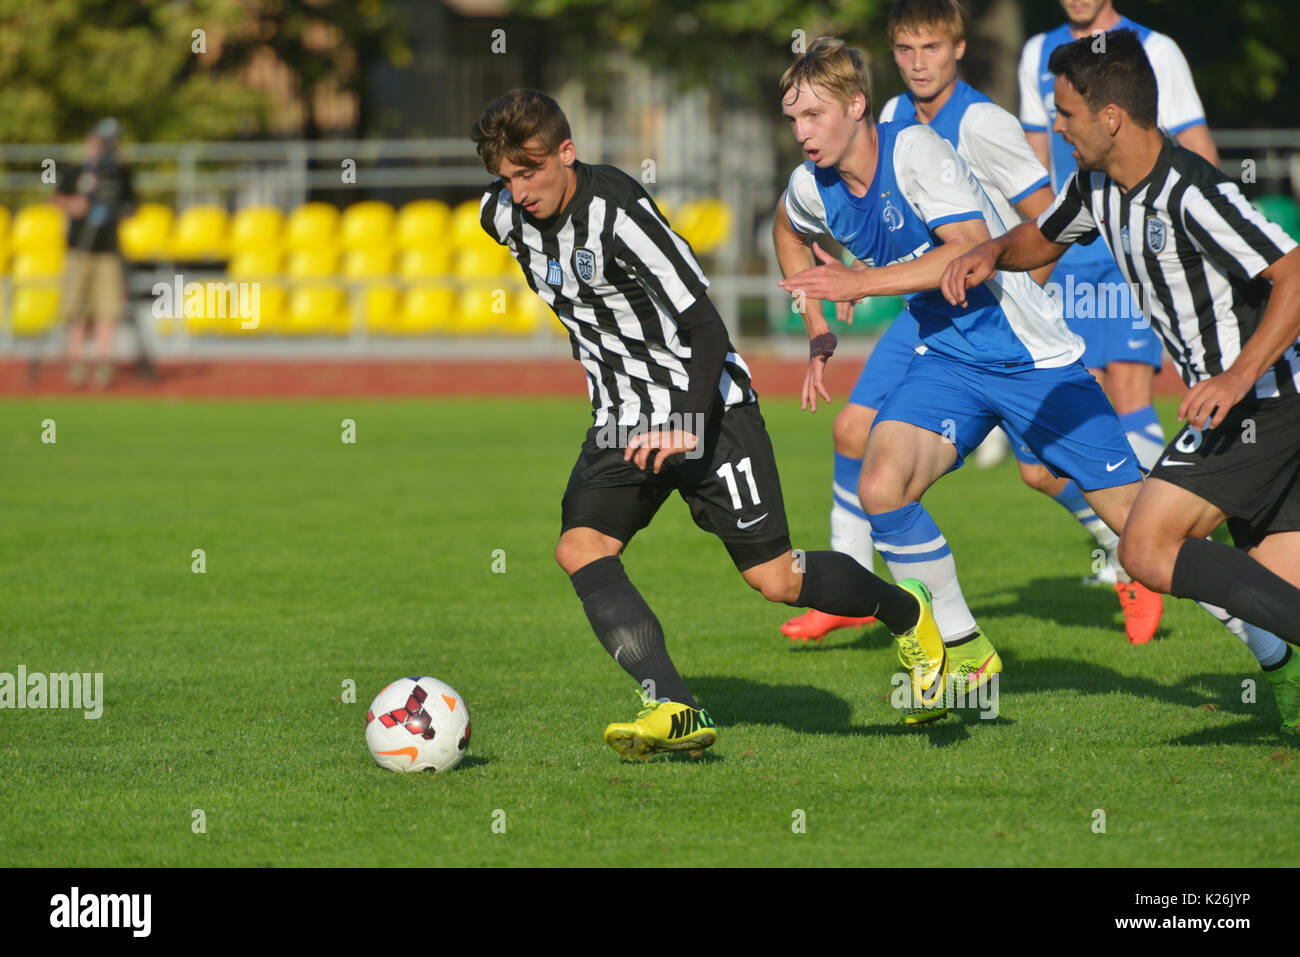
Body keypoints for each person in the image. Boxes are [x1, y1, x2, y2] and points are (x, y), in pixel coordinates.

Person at [470, 88, 954, 751]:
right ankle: (674, 706)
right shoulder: (499, 214)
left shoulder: (619, 214)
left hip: (709, 406)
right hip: (622, 419)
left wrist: (686, 423)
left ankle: (909, 614)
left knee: (777, 579)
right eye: (506, 178)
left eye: (530, 173)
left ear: (567, 152)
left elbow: (705, 325)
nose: (519, 192)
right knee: (580, 547)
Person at [941, 28, 1300, 731]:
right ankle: (1287, 693)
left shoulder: (1195, 193)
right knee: (1277, 585)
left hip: (1263, 401)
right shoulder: (1099, 187)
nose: (1056, 128)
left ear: (1110, 118)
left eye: (1065, 115)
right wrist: (990, 250)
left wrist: (1234, 377)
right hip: (1251, 405)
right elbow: (1042, 236)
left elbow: (1293, 274)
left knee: (1145, 546)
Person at [777, 0, 1166, 647]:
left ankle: (1129, 555)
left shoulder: (981, 122)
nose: (916, 63)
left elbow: (1046, 217)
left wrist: (1020, 305)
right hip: (931, 312)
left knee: (1040, 470)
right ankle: (850, 589)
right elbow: (852, 217)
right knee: (852, 430)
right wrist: (829, 286)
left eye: (929, 48)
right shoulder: (889, 119)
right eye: (904, 50)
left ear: (957, 48)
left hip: (998, 307)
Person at [1017, 0, 1219, 589]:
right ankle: (1128, 536)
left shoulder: (1155, 50)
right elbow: (1035, 166)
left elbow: (1197, 144)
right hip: (1070, 240)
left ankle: (1154, 539)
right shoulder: (1039, 54)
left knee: (1131, 384)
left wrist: (1205, 227)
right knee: (1082, 403)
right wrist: (1029, 252)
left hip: (1136, 244)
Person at [52, 118, 137, 388]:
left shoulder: (121, 173)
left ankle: (103, 362)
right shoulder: (75, 171)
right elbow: (57, 198)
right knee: (76, 307)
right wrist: (74, 205)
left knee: (107, 308)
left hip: (109, 249)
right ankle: (75, 362)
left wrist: (118, 211)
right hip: (79, 248)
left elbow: (132, 204)